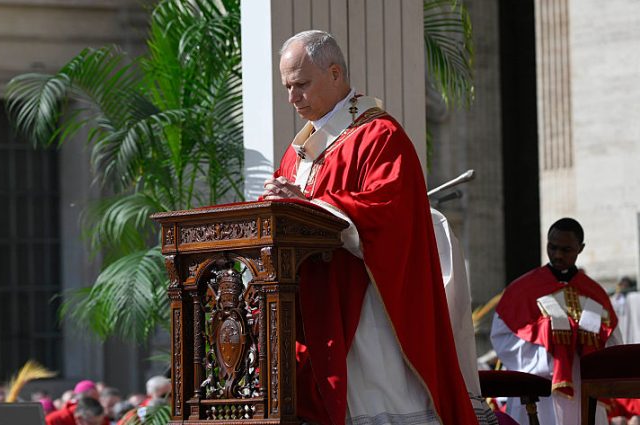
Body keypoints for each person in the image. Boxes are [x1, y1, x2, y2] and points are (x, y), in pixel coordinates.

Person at [260, 30, 476, 424]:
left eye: (301, 85)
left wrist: (309, 204)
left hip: (368, 304)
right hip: (318, 302)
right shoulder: (299, 152)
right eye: (287, 87)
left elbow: (387, 210)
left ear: (335, 73)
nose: (292, 98)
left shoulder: (379, 135)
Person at [491, 218, 620, 424]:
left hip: (582, 388)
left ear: (580, 248)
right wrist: (550, 352)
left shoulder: (595, 293)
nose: (558, 254)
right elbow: (502, 337)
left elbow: (612, 342)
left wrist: (582, 345)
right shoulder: (522, 289)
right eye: (553, 247)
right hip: (538, 388)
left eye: (566, 249)